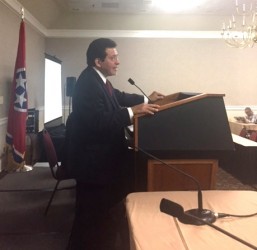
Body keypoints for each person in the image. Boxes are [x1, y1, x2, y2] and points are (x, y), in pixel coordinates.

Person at [66, 38, 164, 249]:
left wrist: (146, 99)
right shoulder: (88, 83)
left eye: (117, 57)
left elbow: (118, 96)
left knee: (96, 218)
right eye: (113, 58)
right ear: (98, 61)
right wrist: (133, 112)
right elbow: (97, 122)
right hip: (94, 166)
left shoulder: (98, 79)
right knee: (90, 219)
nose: (118, 62)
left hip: (99, 161)